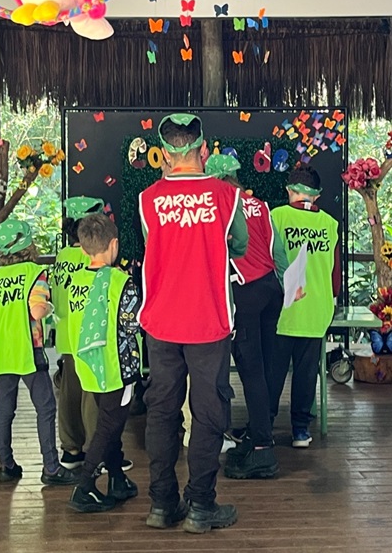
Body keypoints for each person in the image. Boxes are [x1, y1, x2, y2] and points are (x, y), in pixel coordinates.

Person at [138, 113, 248, 534]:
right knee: (208, 413)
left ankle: (162, 505)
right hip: (209, 322)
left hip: (160, 323)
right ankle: (201, 505)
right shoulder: (226, 196)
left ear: (165, 155)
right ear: (205, 150)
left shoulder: (148, 199)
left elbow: (155, 246)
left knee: (162, 411)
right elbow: (239, 243)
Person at [204, 153, 293, 480]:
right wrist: (284, 289)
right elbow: (279, 252)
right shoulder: (260, 205)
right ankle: (260, 432)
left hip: (245, 293)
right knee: (267, 368)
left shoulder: (220, 209)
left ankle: (262, 450)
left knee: (250, 370)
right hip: (271, 289)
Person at [0, 219, 75, 486]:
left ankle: (6, 465)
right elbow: (36, 310)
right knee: (46, 406)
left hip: (1, 350)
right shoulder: (35, 273)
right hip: (28, 348)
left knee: (5, 409)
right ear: (27, 243)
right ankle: (51, 467)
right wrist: (48, 308)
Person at [67, 213, 142, 513]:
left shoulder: (75, 280)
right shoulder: (120, 281)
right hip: (116, 367)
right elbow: (133, 322)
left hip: (88, 367)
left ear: (83, 249)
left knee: (108, 424)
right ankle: (83, 487)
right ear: (114, 244)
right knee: (109, 427)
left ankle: (117, 479)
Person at [268, 166, 340, 449]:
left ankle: (266, 426)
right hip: (317, 310)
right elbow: (335, 279)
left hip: (282, 310)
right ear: (318, 195)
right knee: (307, 374)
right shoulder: (330, 225)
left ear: (289, 190)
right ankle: (300, 430)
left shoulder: (276, 217)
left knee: (273, 373)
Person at [50, 196, 103, 471]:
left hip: (65, 334)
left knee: (69, 393)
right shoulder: (89, 257)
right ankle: (96, 451)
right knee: (92, 394)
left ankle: (70, 449)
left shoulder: (61, 257)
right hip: (90, 336)